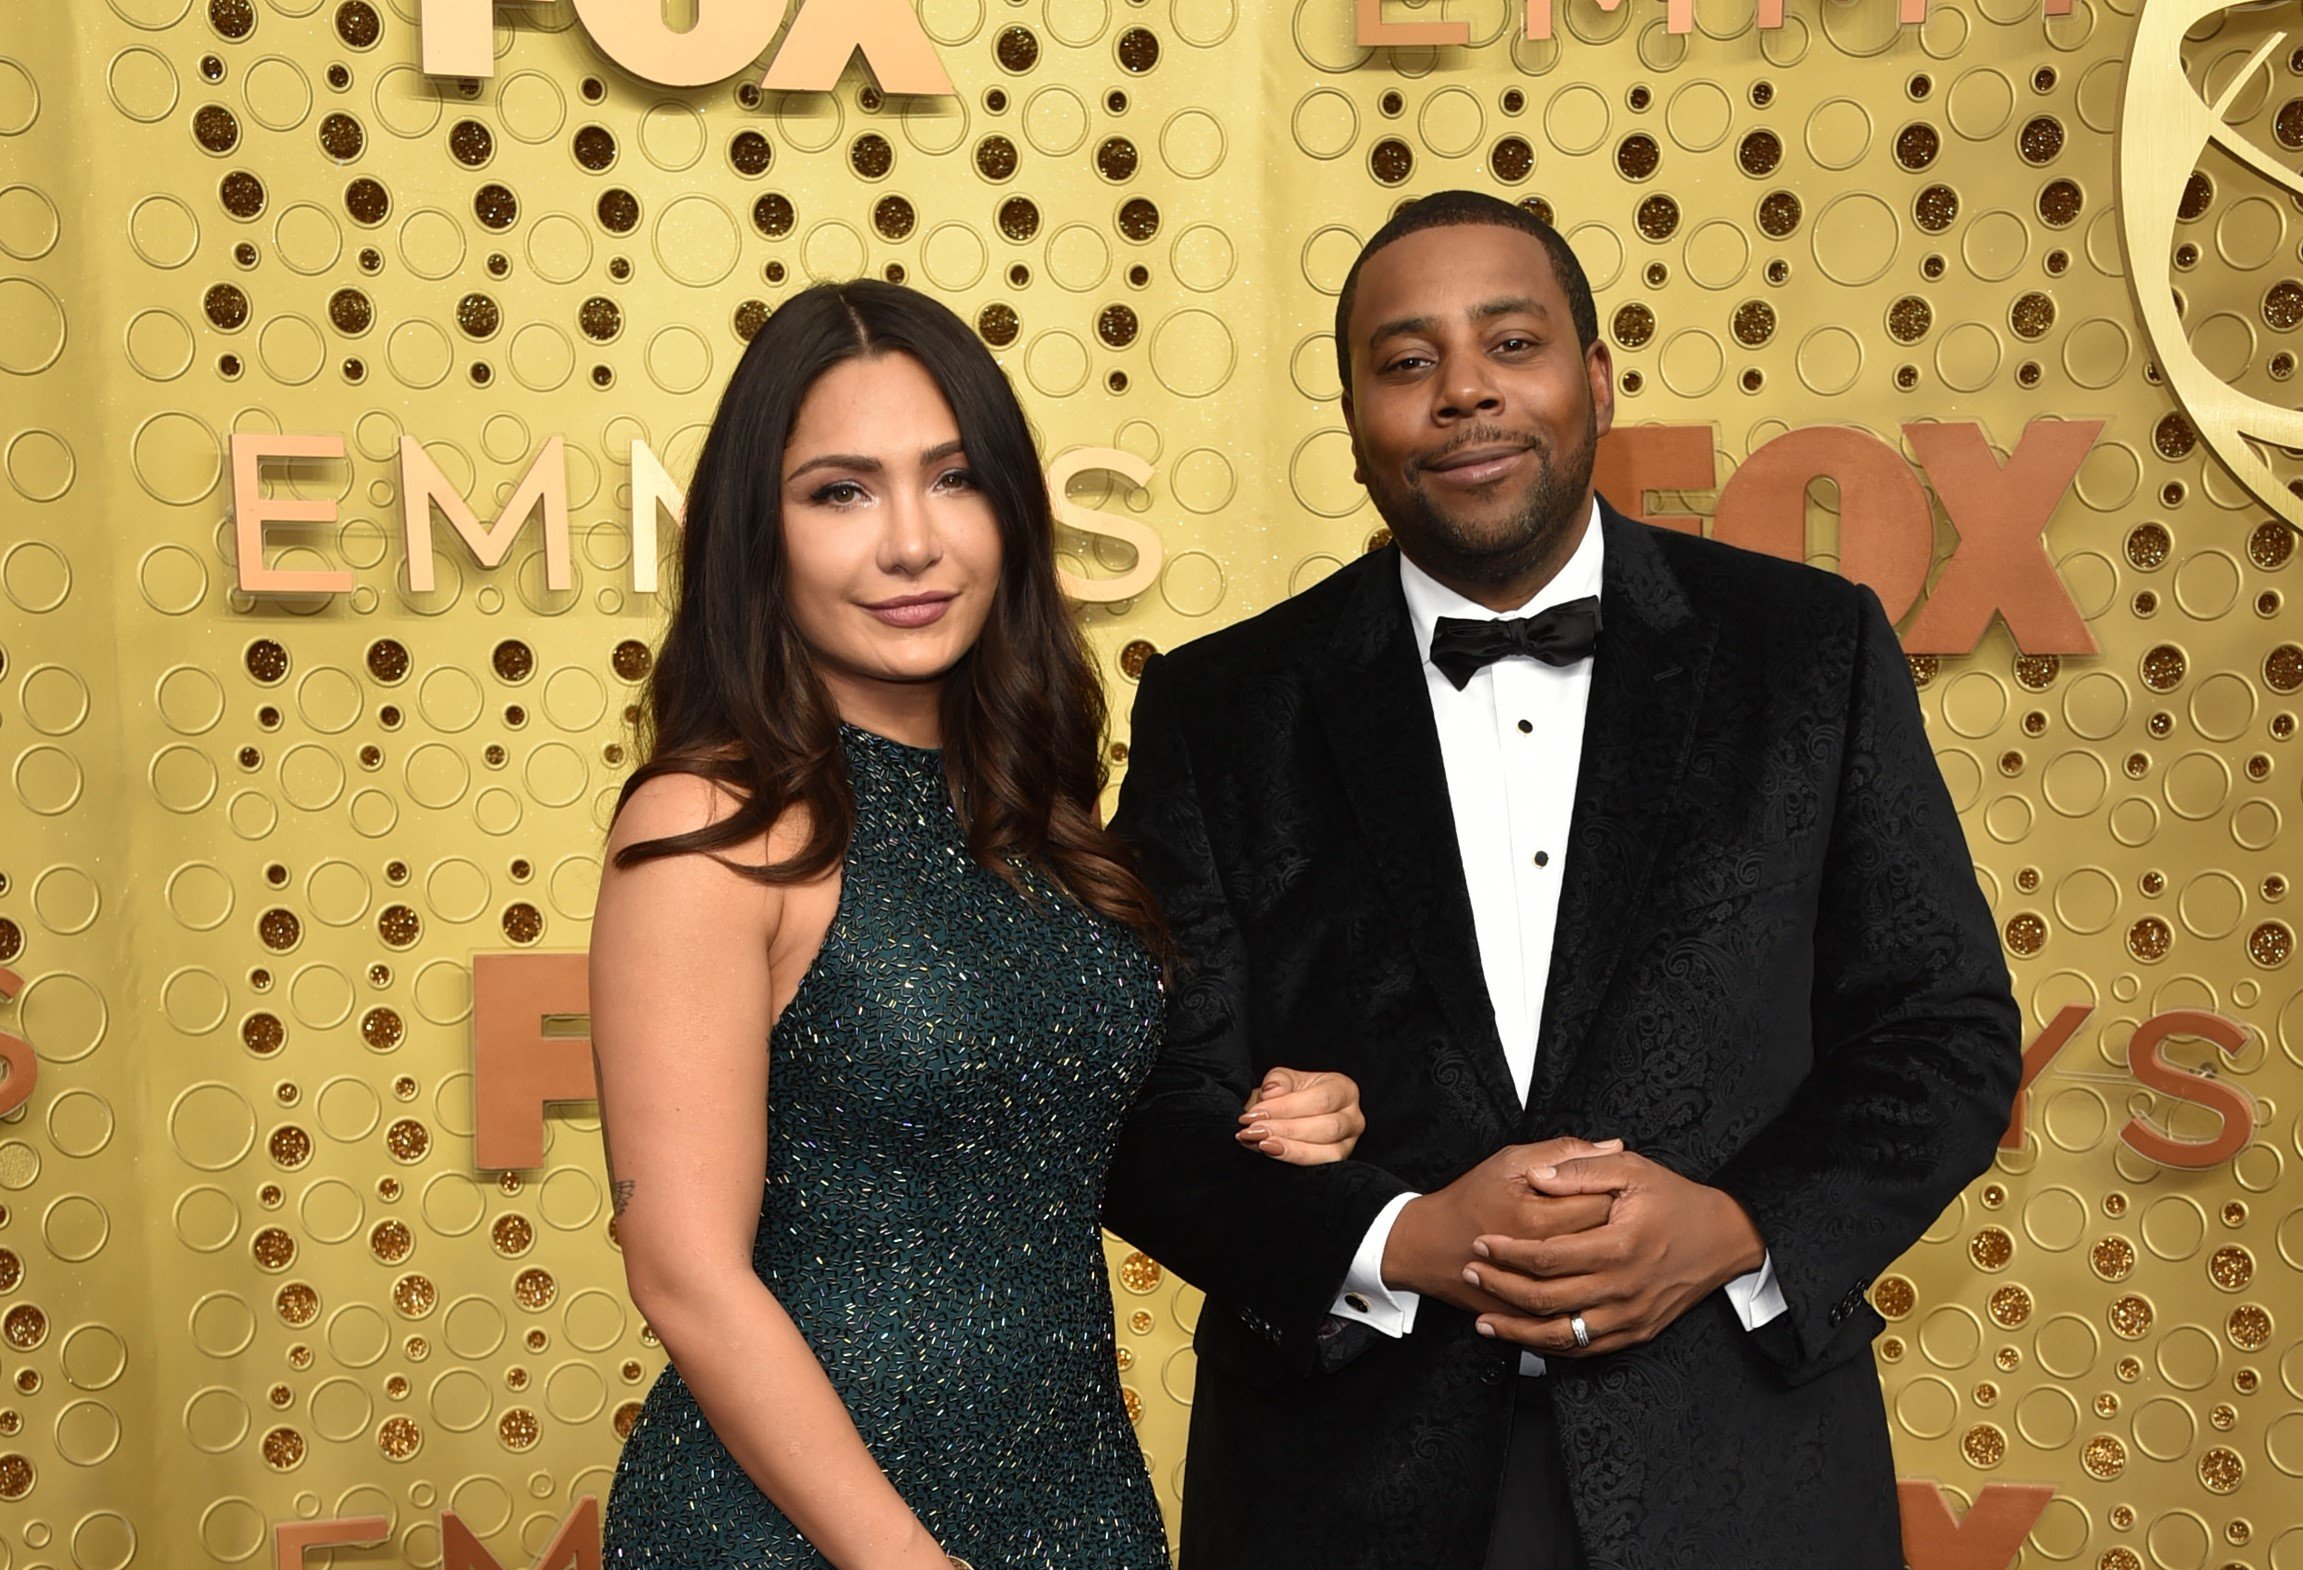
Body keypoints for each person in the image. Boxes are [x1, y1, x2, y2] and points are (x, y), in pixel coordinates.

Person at [1100, 190, 2023, 1568]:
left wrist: (1731, 1226)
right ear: (1355, 422)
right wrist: (1403, 1235)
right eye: (1405, 363)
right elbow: (1147, 1110)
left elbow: (1942, 1032)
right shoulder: (1219, 706)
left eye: (1510, 343)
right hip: (1342, 1491)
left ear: (1593, 381)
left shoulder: (1808, 652)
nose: (1462, 391)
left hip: (1739, 1472)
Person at [588, 279, 1368, 1570]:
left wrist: (1292, 1109)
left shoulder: (1041, 817)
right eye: (840, 491)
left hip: (1071, 1502)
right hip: (800, 1532)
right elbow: (685, 1275)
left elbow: (1058, 1126)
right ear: (757, 534)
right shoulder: (717, 823)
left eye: (952, 479)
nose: (911, 542)